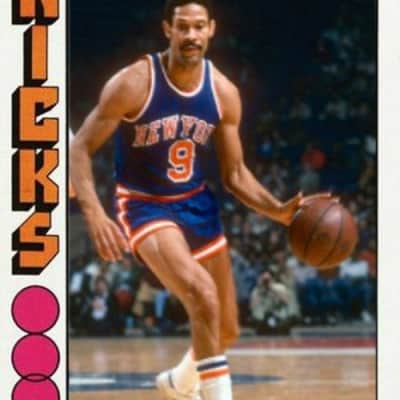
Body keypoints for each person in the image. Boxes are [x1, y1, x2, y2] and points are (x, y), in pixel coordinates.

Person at [70, 1, 330, 398]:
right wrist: (93, 213)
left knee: (225, 330)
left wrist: (277, 210)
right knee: (202, 293)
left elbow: (235, 174)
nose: (191, 35)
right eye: (182, 27)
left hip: (196, 204)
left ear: (211, 29)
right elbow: (80, 148)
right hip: (145, 205)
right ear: (167, 29)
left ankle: (178, 383)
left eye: (198, 27)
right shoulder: (134, 82)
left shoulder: (223, 92)